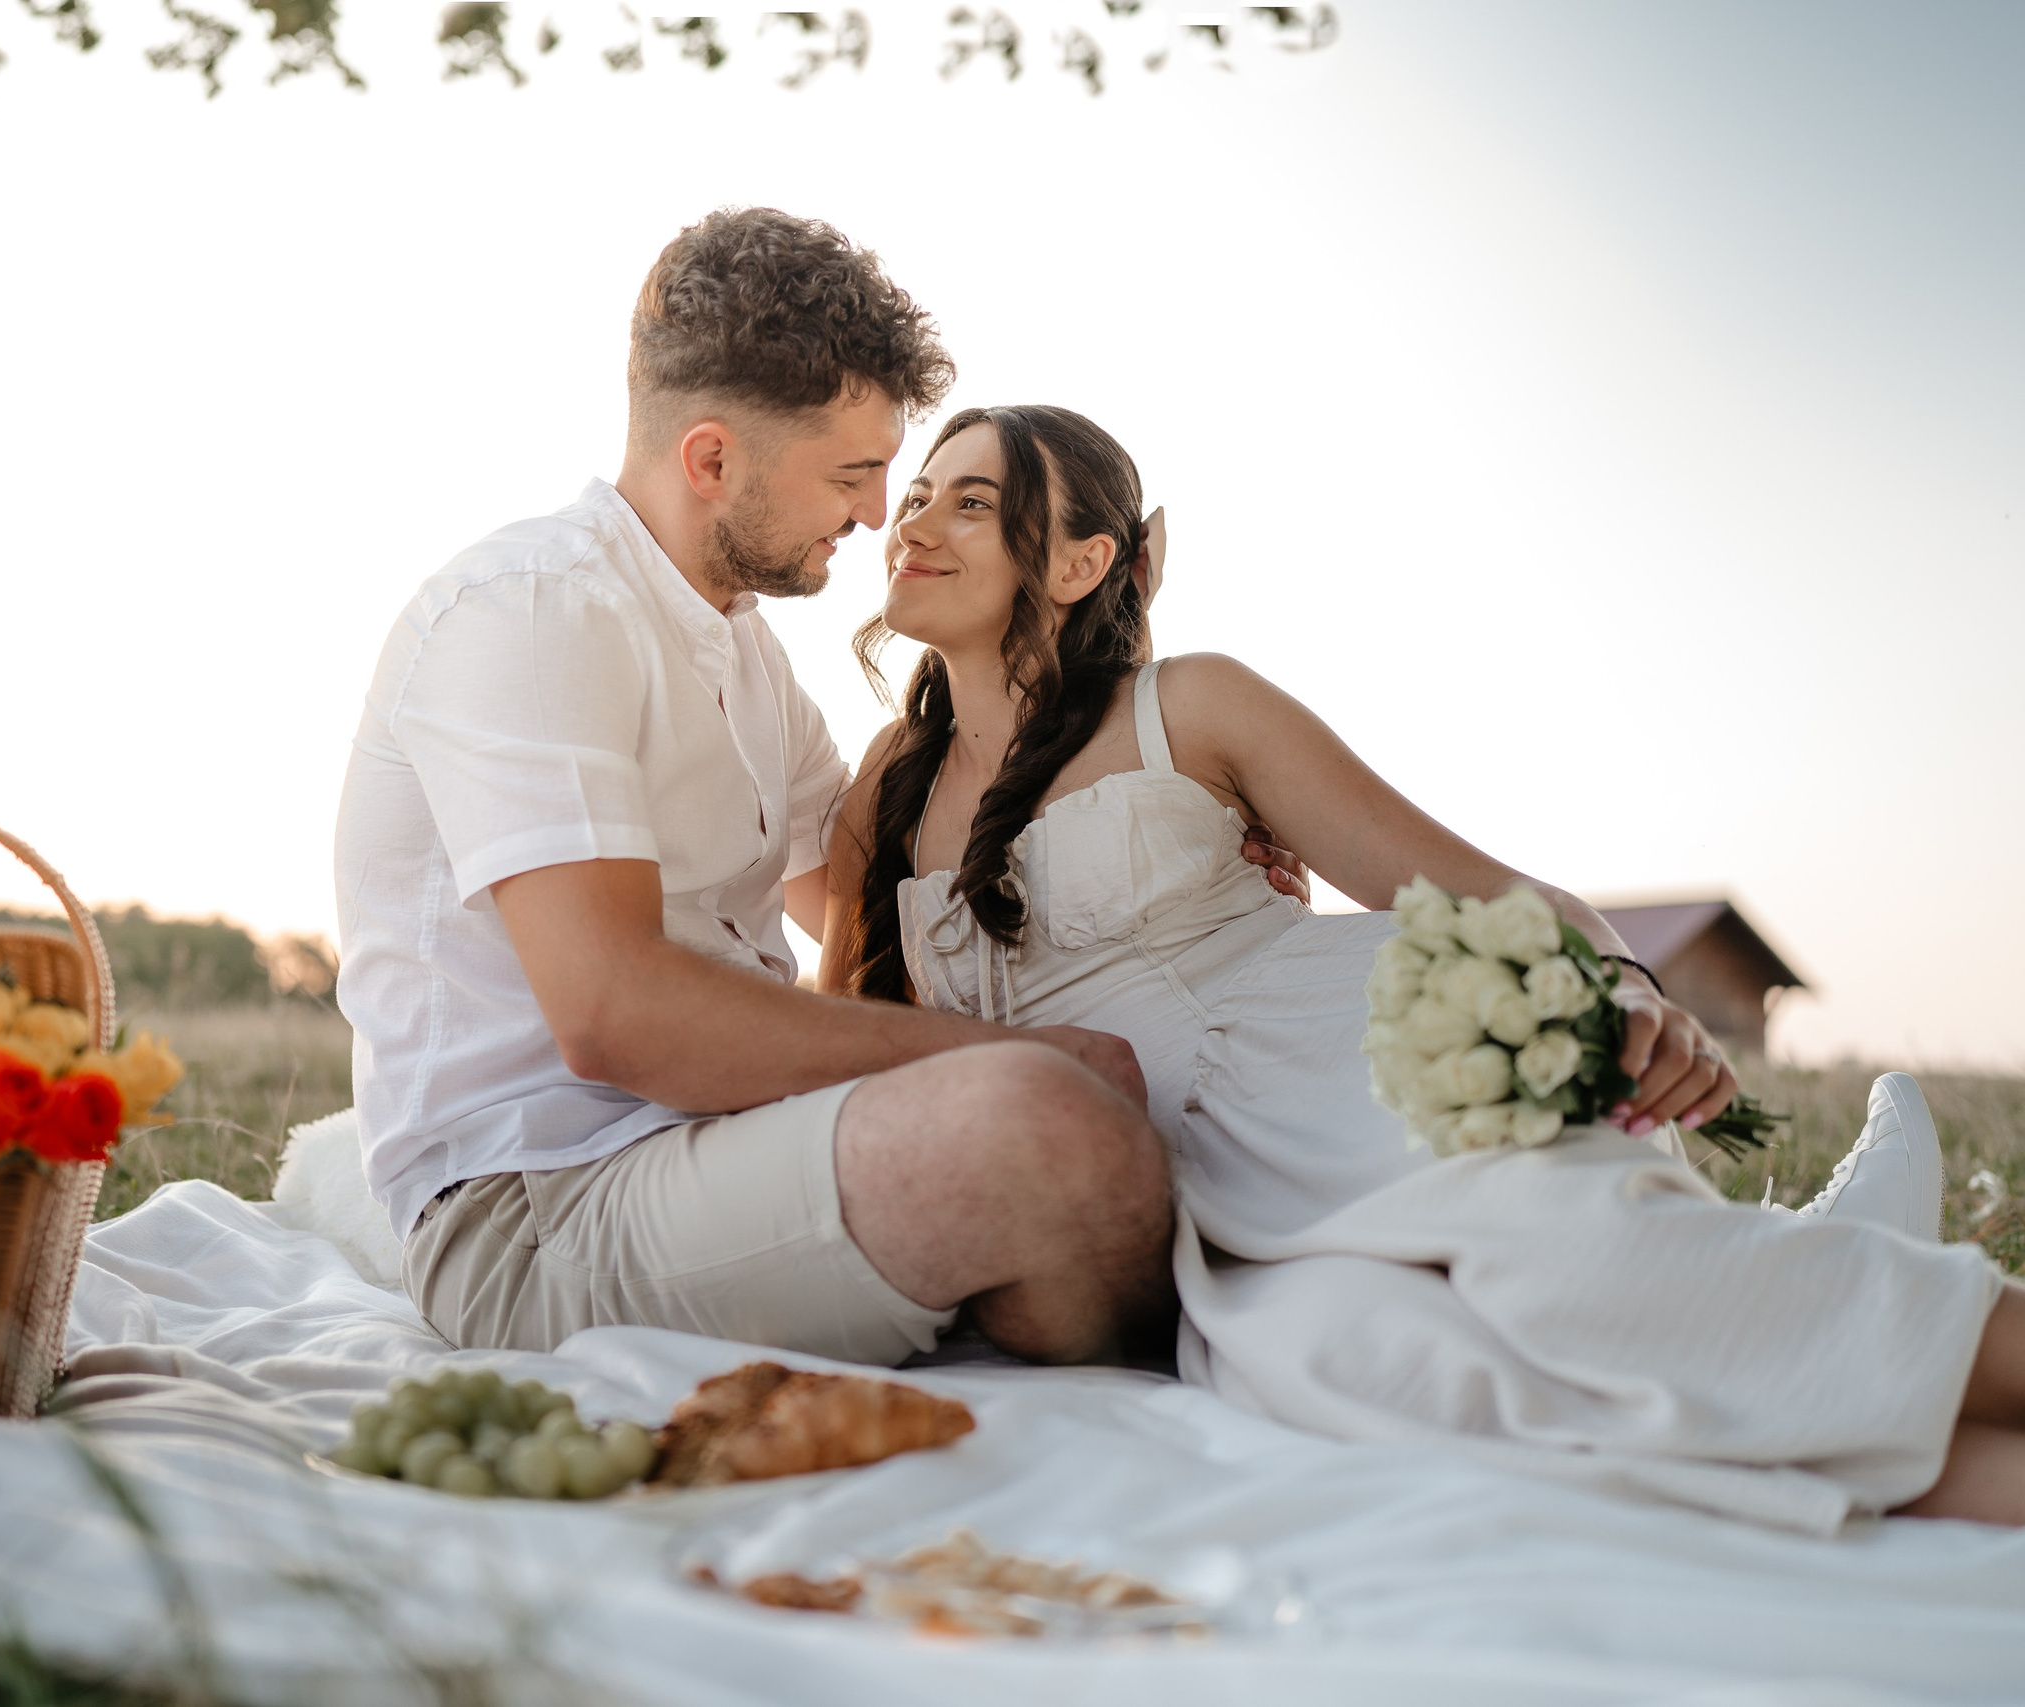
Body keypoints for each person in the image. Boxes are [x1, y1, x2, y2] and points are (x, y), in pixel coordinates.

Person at [816, 401, 2025, 1527]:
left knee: (1588, 1274)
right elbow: (838, 1051)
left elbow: (1487, 891)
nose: (913, 521)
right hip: (1200, 1216)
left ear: (1083, 563)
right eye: (915, 496)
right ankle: (1861, 1306)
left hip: (1358, 1078)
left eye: (970, 502)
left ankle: (1841, 1274)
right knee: (1394, 1373)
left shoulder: (1188, 705)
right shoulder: (886, 792)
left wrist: (1627, 991)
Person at [338, 210, 1311, 1369]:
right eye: (853, 476)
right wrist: (998, 1060)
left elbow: (893, 881)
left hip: (724, 1148)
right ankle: (1168, 1334)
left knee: (1101, 1109)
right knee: (1044, 1126)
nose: (877, 515)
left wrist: (1195, 837)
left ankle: (1048, 1283)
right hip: (538, 1203)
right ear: (712, 461)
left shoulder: (742, 653)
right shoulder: (535, 612)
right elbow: (612, 1015)